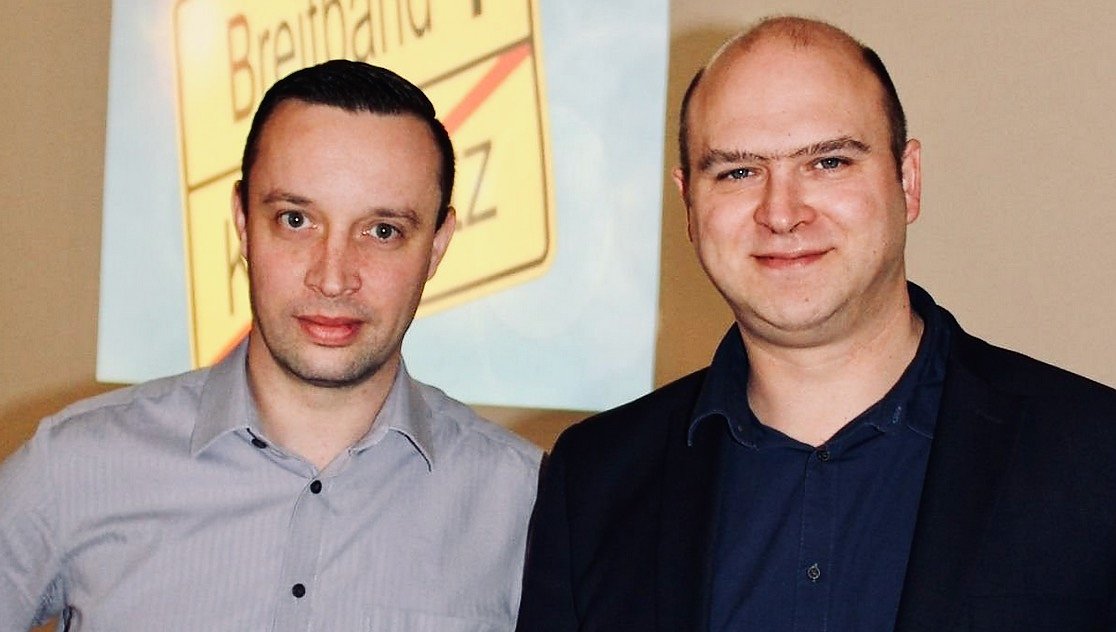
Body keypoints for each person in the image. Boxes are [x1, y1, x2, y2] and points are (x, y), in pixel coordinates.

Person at [516, 16, 1116, 632]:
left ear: (908, 180)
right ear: (689, 204)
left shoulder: (1096, 457)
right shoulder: (594, 481)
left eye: (828, 162)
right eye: (738, 172)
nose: (782, 213)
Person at [0, 60, 541, 631]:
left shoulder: (525, 505)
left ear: (436, 247)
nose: (332, 278)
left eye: (382, 231)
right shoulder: (74, 467)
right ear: (242, 222)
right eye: (296, 220)